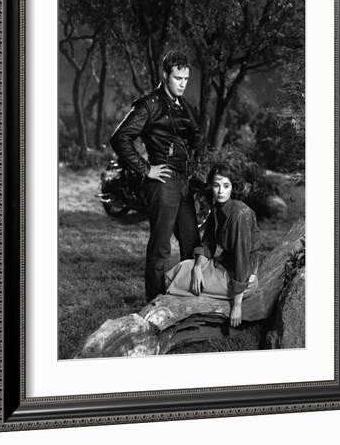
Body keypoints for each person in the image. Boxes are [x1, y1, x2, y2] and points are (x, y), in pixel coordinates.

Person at [110, 50, 201, 302]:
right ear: (165, 75)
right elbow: (120, 137)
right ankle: (154, 305)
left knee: (193, 244)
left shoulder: (184, 106)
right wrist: (146, 168)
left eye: (186, 78)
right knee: (160, 249)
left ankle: (188, 301)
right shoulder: (149, 104)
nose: (183, 83)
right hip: (162, 182)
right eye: (177, 78)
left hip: (183, 182)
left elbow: (194, 136)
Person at [165, 162, 260, 327]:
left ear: (233, 187)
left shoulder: (239, 214)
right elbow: (208, 242)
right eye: (216, 185)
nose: (221, 191)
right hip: (224, 266)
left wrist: (237, 306)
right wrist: (197, 268)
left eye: (226, 185)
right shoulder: (218, 208)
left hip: (241, 279)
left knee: (174, 279)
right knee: (182, 269)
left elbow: (241, 261)